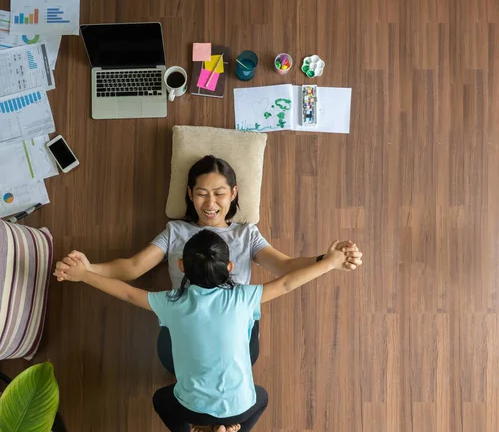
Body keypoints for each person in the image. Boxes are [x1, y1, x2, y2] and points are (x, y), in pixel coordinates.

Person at [57, 229, 351, 432]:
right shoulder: (245, 297)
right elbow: (288, 282)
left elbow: (127, 293)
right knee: (259, 398)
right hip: (237, 409)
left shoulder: (171, 302)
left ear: (182, 266)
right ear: (231, 266)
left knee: (163, 400)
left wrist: (84, 274)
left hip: (195, 411)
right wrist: (331, 262)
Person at [54, 155, 363, 371]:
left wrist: (328, 259)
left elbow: (285, 269)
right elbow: (133, 268)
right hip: (185, 324)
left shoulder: (246, 234)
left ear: (233, 193)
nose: (210, 203)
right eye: (201, 194)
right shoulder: (176, 231)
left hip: (234, 331)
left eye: (219, 194)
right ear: (190, 194)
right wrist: (88, 269)